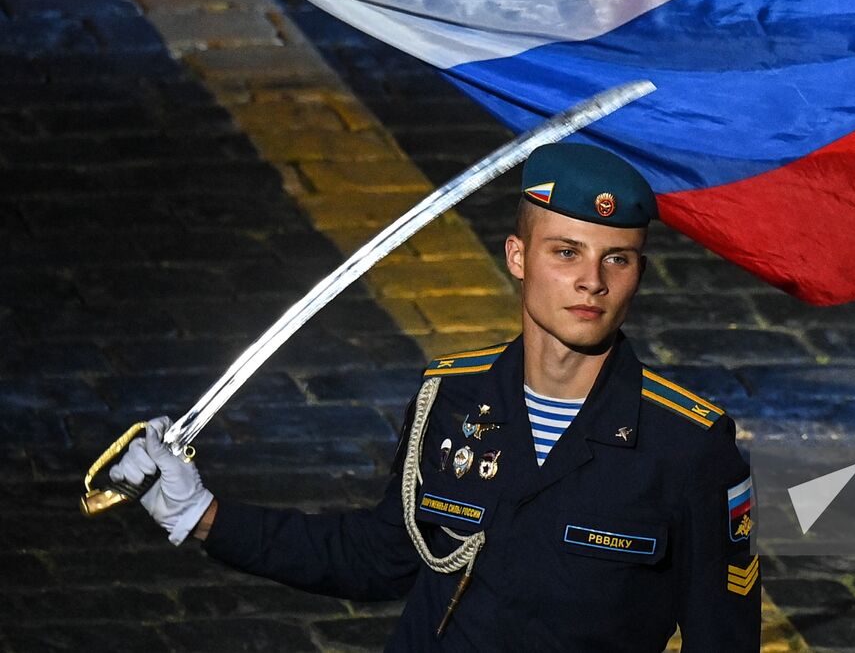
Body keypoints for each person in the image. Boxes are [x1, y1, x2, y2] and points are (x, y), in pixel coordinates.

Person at [109, 142, 761, 652]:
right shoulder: (448, 398)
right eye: (566, 251)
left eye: (618, 258)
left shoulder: (688, 447)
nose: (591, 280)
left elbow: (722, 639)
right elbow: (377, 557)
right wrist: (201, 513)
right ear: (518, 255)